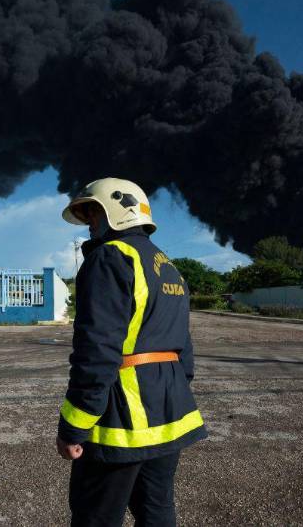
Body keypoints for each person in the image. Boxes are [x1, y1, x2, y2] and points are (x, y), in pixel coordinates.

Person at [56, 178, 207, 526]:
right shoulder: (167, 266)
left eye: (93, 213)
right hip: (170, 415)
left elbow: (97, 352)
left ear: (115, 211)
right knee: (156, 510)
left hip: (122, 421)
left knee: (95, 516)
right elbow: (183, 348)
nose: (89, 223)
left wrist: (74, 426)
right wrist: (169, 391)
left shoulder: (110, 257)